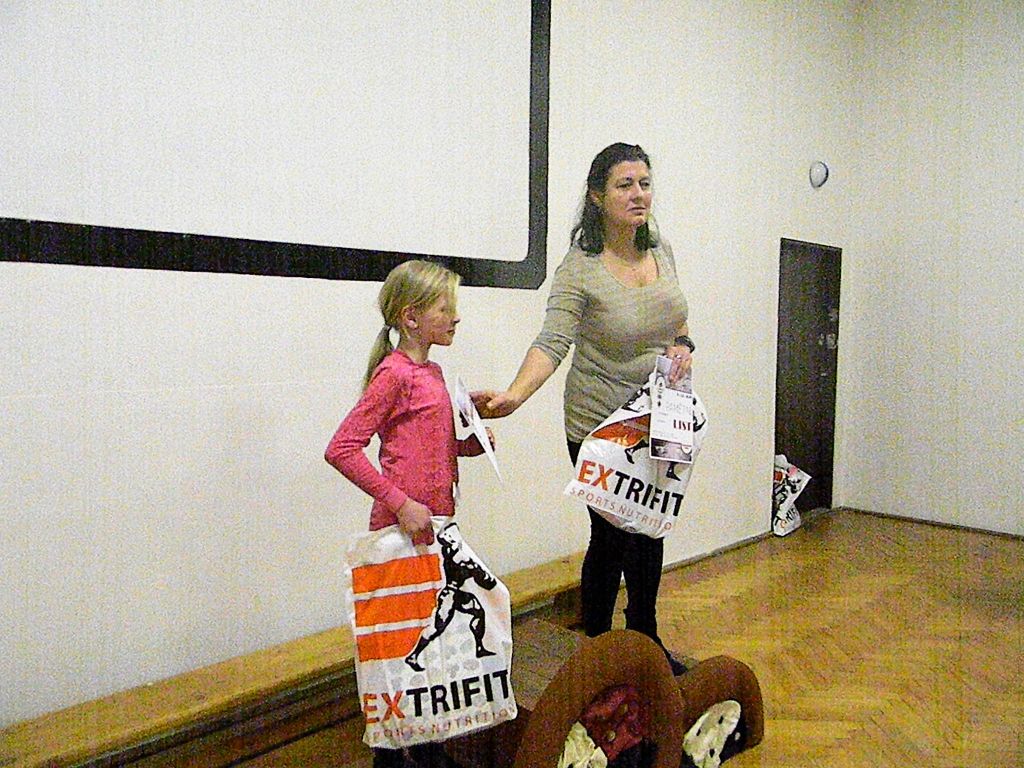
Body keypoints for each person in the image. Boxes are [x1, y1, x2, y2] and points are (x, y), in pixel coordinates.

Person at [473, 143, 694, 674]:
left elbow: (676, 320)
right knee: (613, 536)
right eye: (624, 185)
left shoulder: (661, 248)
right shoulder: (580, 268)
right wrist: (514, 395)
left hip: (657, 419)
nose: (638, 195)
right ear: (597, 196)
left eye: (644, 183)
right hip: (599, 425)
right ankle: (596, 644)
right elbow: (552, 342)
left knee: (651, 529)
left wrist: (684, 346)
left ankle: (645, 639)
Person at [325, 259, 492, 768]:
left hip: (433, 532)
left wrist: (470, 442)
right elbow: (342, 448)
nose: (455, 317)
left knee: (427, 652)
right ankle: (403, 757)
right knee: (397, 655)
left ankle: (425, 750)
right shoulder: (394, 374)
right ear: (412, 317)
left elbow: (427, 443)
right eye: (446, 308)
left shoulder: (433, 373)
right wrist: (399, 502)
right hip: (400, 536)